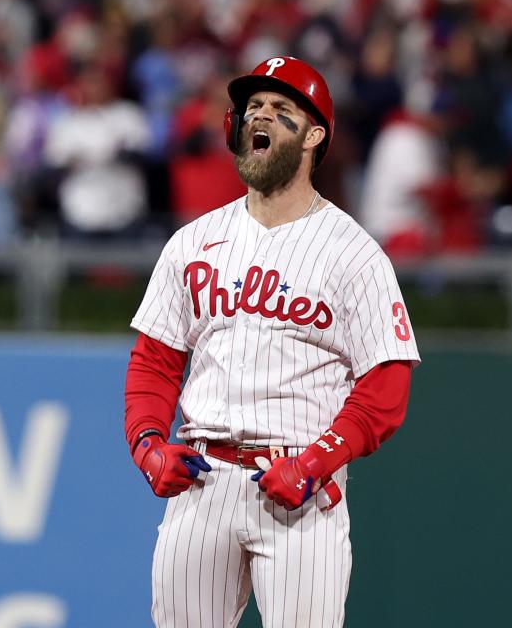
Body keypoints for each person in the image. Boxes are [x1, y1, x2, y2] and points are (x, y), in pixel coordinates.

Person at [124, 56, 420, 627]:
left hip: (299, 487)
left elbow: (387, 384)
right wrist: (148, 446)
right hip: (202, 483)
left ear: (314, 137)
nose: (261, 116)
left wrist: (319, 461)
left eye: (282, 110)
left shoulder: (353, 254)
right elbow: (154, 363)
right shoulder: (193, 241)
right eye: (254, 107)